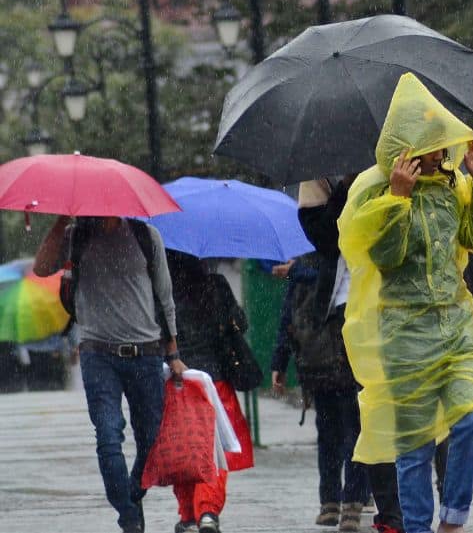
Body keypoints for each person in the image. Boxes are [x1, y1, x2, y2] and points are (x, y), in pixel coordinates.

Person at [337, 72, 473, 533]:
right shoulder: (373, 191)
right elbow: (382, 257)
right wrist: (398, 199)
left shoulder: (455, 187)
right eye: (427, 145)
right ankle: (415, 526)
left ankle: (453, 519)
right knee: (413, 448)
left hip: (455, 326)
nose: (437, 153)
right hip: (403, 334)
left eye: (439, 143)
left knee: (472, 420)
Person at [34, 216, 187, 533]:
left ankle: (133, 492)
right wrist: (63, 218)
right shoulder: (77, 235)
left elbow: (164, 294)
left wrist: (173, 354)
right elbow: (42, 267)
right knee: (108, 436)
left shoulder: (147, 235)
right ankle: (129, 518)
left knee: (152, 440)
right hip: (97, 354)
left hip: (146, 353)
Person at [282, 175, 405, 533]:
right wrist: (343, 194)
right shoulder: (318, 182)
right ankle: (332, 498)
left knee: (362, 416)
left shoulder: (388, 172)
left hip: (379, 309)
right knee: (331, 422)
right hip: (334, 319)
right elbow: (324, 239)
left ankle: (356, 500)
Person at [270, 248, 369, 530]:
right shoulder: (358, 257)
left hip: (318, 363)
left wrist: (280, 361)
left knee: (329, 434)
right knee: (355, 432)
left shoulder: (304, 264)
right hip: (352, 360)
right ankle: (352, 503)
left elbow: (287, 318)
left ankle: (329, 502)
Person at [165, 251, 255, 533]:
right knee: (213, 451)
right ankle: (208, 512)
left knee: (184, 450)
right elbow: (240, 324)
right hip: (214, 382)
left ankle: (188, 514)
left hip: (178, 381)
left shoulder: (162, 289)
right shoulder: (215, 284)